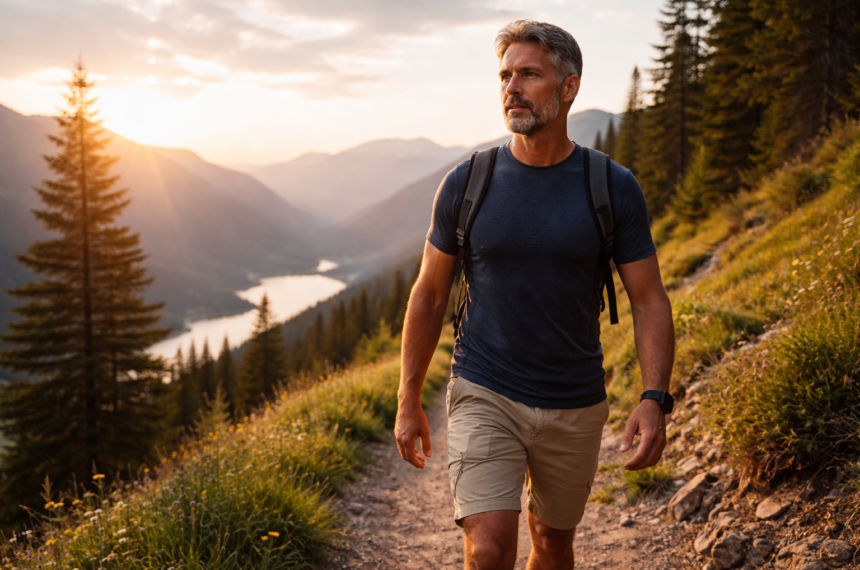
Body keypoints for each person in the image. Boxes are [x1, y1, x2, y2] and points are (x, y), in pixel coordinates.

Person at [394, 20, 675, 570]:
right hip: (484, 390)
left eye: (529, 74)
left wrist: (654, 397)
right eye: (504, 75)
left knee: (551, 541)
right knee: (491, 546)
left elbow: (648, 299)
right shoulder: (467, 182)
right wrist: (408, 401)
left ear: (568, 88)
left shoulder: (611, 187)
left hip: (575, 399)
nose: (511, 88)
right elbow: (428, 295)